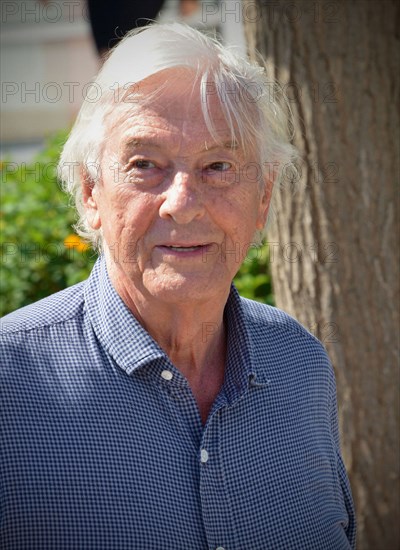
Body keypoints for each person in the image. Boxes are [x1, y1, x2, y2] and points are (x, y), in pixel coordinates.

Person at [0, 23, 356, 549]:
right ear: (91, 191)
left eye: (218, 166)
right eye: (145, 165)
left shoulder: (300, 364)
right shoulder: (11, 385)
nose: (183, 203)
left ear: (263, 197)